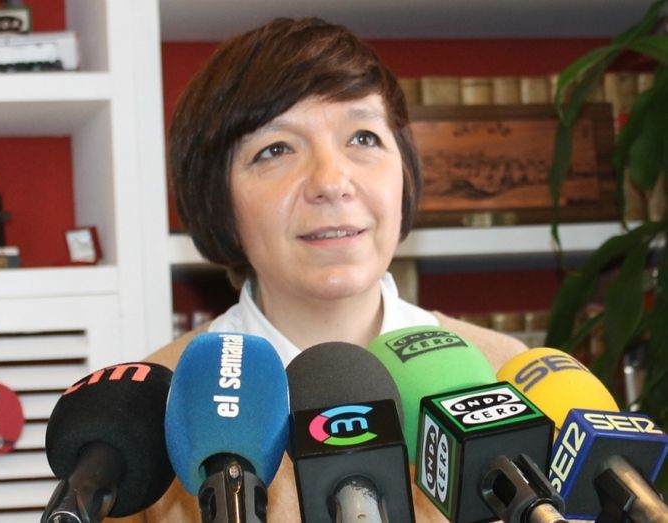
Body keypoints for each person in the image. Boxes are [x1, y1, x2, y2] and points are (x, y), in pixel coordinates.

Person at [110, 16, 526, 522]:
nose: (331, 182)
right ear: (217, 199)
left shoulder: (508, 377)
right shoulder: (155, 416)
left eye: (363, 138)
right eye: (275, 149)